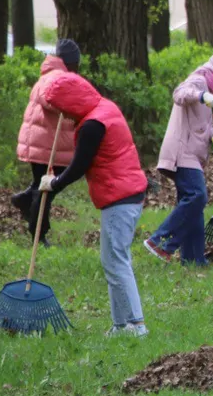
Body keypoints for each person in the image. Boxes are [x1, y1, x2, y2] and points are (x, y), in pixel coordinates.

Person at [36, 72, 150, 337]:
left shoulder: (92, 125)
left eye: (62, 110)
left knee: (116, 261)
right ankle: (120, 325)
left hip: (119, 197)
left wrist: (54, 184)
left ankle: (137, 324)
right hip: (126, 193)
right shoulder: (104, 108)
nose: (62, 116)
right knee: (112, 260)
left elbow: (79, 166)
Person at [143, 48, 213, 266]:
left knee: (194, 204)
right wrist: (201, 95)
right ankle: (160, 241)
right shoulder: (199, 80)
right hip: (181, 151)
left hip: (192, 153)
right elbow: (179, 93)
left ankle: (193, 259)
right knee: (197, 196)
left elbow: (207, 125)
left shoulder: (210, 91)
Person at [10, 39, 81, 245]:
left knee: (43, 184)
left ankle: (25, 199)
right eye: (77, 64)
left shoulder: (52, 73)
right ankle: (38, 234)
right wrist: (66, 106)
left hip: (42, 141)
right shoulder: (56, 77)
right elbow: (47, 98)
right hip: (46, 144)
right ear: (70, 62)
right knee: (47, 188)